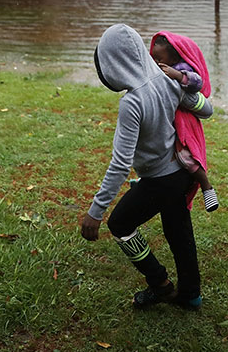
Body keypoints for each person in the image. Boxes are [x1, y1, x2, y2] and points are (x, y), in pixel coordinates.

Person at [80, 24, 214, 309]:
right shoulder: (167, 80)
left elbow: (120, 163)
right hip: (181, 173)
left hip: (160, 180)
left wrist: (96, 211)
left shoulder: (132, 102)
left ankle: (160, 284)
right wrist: (184, 85)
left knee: (120, 224)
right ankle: (191, 294)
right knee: (178, 231)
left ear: (113, 64)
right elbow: (206, 109)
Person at [149, 32, 218, 212]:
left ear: (173, 57)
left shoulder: (182, 67)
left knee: (186, 157)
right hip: (168, 121)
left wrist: (178, 75)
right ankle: (146, 184)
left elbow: (196, 83)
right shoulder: (158, 70)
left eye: (159, 58)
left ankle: (206, 186)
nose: (156, 62)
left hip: (184, 120)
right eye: (153, 58)